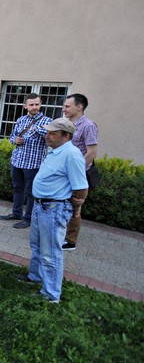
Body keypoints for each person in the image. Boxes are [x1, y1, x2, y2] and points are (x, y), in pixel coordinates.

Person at [17, 118, 88, 303]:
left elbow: (81, 187)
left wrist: (76, 207)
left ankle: (50, 295)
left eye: (52, 133)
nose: (47, 136)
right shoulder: (55, 150)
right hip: (41, 206)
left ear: (66, 136)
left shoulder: (72, 154)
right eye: (47, 132)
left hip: (54, 208)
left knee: (51, 253)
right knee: (37, 246)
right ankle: (36, 276)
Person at [0, 94, 51, 229]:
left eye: (37, 104)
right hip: (17, 160)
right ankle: (16, 213)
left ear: (40, 105)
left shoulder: (47, 121)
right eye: (31, 104)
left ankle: (28, 218)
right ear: (25, 106)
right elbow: (11, 136)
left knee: (31, 193)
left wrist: (36, 128)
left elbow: (50, 138)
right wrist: (15, 140)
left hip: (33, 164)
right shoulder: (21, 120)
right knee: (17, 188)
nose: (34, 107)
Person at [62, 93, 99, 251]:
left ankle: (70, 242)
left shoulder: (88, 126)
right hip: (64, 171)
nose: (64, 109)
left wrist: (76, 170)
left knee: (75, 207)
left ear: (79, 107)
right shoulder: (66, 123)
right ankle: (61, 234)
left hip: (77, 174)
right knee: (63, 203)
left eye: (67, 106)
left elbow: (91, 152)